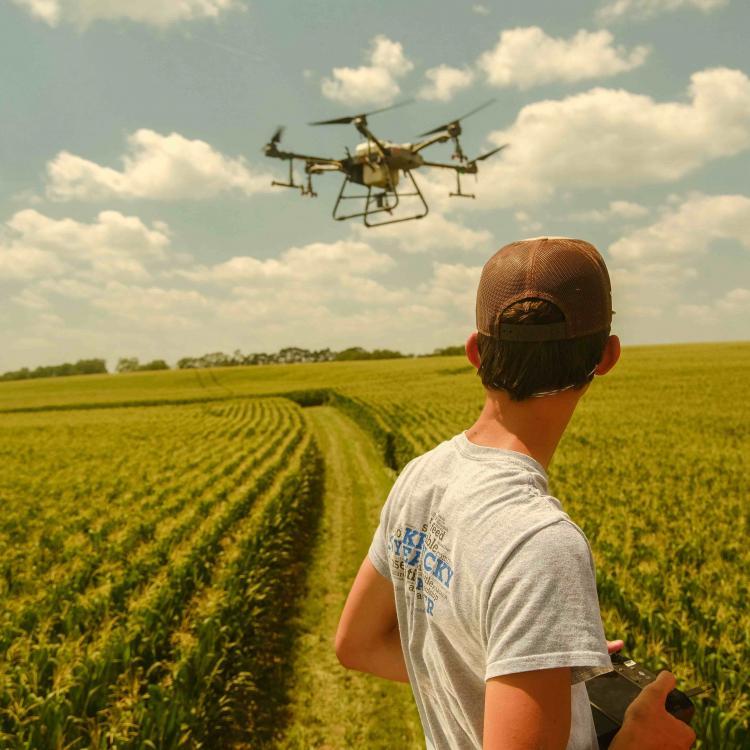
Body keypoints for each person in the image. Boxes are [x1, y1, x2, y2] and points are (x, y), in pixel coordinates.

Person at [334, 237, 697, 750]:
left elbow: (358, 646)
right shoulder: (543, 544)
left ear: (476, 352)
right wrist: (642, 741)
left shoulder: (422, 475)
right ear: (608, 356)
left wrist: (534, 673)